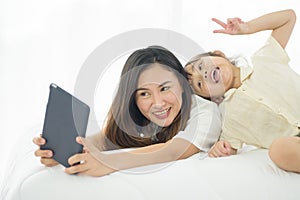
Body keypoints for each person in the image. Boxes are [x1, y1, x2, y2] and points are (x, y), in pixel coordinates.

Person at [33, 46, 221, 176]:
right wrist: (70, 149)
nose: (158, 103)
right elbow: (106, 139)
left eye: (165, 88)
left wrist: (111, 163)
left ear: (182, 84)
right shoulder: (139, 115)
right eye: (145, 94)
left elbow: (174, 151)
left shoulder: (207, 113)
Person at [184, 9, 300, 173]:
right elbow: (229, 148)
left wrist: (247, 28)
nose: (203, 74)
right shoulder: (228, 120)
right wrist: (220, 149)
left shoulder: (265, 58)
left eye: (202, 66)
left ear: (218, 54)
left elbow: (288, 17)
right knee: (279, 150)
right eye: (200, 84)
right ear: (210, 96)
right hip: (295, 144)